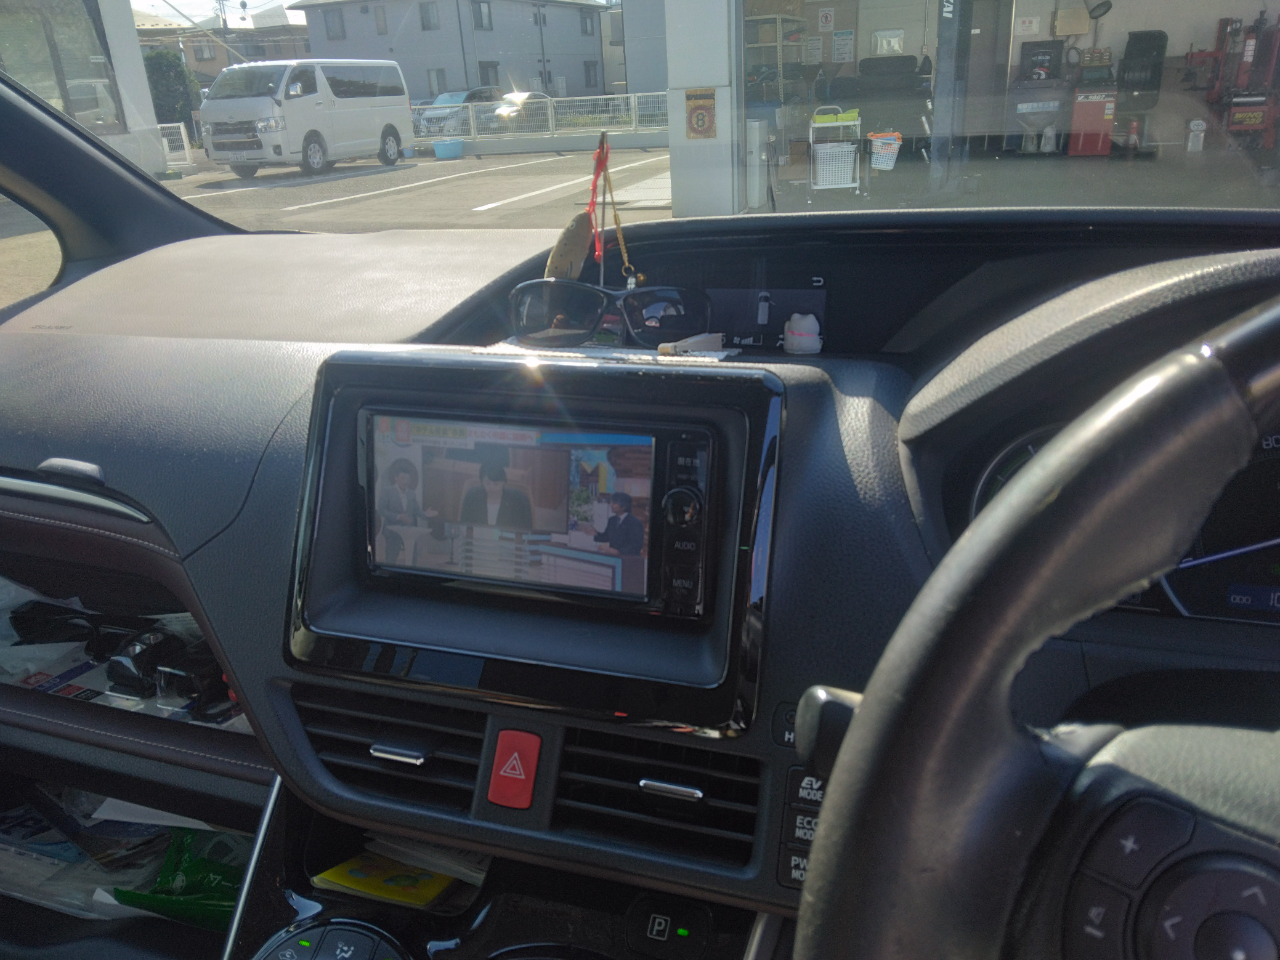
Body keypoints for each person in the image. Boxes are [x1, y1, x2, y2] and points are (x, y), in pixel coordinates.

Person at [378, 462, 438, 564]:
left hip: (410, 532)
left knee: (412, 560)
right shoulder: (387, 491)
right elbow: (381, 509)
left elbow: (417, 511)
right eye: (402, 478)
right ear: (396, 478)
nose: (405, 481)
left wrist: (425, 514)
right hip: (393, 532)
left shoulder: (411, 493)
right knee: (391, 559)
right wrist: (398, 517)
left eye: (407, 479)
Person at [460, 462, 534, 530]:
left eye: (496, 484)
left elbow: (524, 532)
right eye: (487, 483)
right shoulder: (472, 497)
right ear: (482, 482)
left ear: (504, 482)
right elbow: (463, 526)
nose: (491, 487)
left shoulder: (518, 501)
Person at [587, 492, 645, 556]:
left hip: (628, 559)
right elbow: (606, 537)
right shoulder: (612, 520)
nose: (611, 505)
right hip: (613, 558)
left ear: (623, 506)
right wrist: (595, 533)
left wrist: (618, 552)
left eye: (614, 503)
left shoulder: (634, 523)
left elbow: (636, 546)